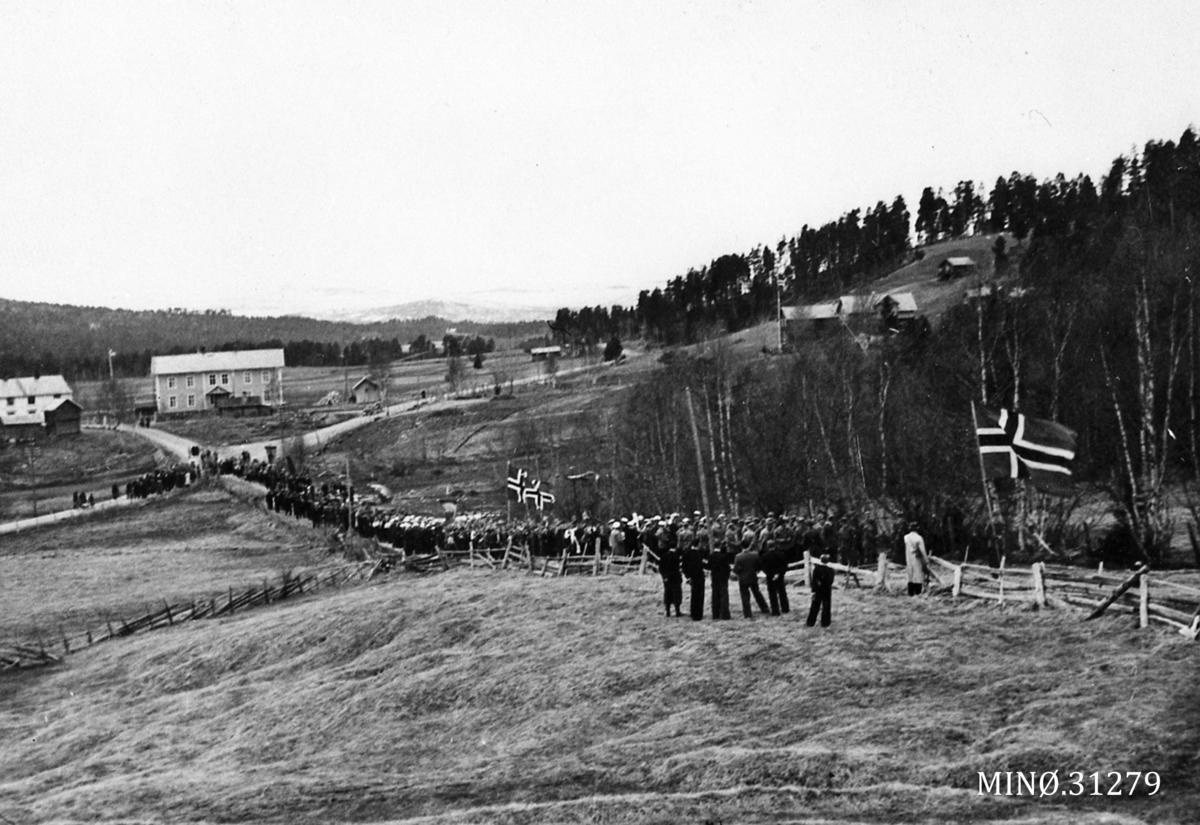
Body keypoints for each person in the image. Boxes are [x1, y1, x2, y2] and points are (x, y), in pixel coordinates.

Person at [732, 541, 770, 619]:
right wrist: (755, 570)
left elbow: (735, 569)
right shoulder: (755, 555)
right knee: (757, 593)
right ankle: (764, 608)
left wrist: (739, 572)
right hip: (753, 576)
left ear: (741, 547)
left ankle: (747, 613)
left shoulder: (738, 557)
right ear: (749, 546)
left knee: (745, 596)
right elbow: (759, 565)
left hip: (743, 578)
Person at [680, 527, 706, 621]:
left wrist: (687, 576)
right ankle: (699, 613)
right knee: (700, 596)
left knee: (694, 595)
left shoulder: (687, 553)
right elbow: (702, 565)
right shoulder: (699, 554)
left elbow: (684, 566)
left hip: (692, 577)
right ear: (698, 544)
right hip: (699, 576)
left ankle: (693, 613)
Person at [761, 538, 789, 615]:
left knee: (772, 594)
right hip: (780, 576)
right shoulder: (781, 554)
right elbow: (785, 566)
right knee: (782, 592)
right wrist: (779, 574)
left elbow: (764, 568)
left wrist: (771, 574)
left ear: (767, 546)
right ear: (775, 546)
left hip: (770, 577)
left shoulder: (765, 556)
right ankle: (785, 608)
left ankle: (775, 610)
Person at [657, 536, 683, 617]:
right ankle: (677, 611)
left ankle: (668, 611)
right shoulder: (676, 556)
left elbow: (660, 568)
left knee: (667, 594)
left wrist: (664, 576)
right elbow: (679, 567)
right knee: (676, 594)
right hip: (675, 577)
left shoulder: (664, 556)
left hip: (667, 578)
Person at [708, 533, 732, 620]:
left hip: (714, 577)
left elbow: (709, 566)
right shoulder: (723, 557)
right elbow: (727, 568)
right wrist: (727, 576)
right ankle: (725, 614)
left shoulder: (711, 556)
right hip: (723, 578)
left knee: (715, 595)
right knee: (724, 595)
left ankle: (715, 614)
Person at [807, 553, 835, 627]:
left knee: (814, 606)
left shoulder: (816, 569)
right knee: (826, 606)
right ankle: (825, 623)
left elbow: (813, 581)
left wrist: (813, 591)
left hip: (817, 590)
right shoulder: (831, 570)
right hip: (827, 590)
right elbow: (831, 581)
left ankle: (810, 622)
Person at [905, 522, 930, 596]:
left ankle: (910, 593)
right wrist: (926, 560)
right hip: (917, 558)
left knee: (911, 576)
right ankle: (917, 593)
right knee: (918, 576)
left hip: (909, 558)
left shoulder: (906, 537)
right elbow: (922, 550)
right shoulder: (919, 538)